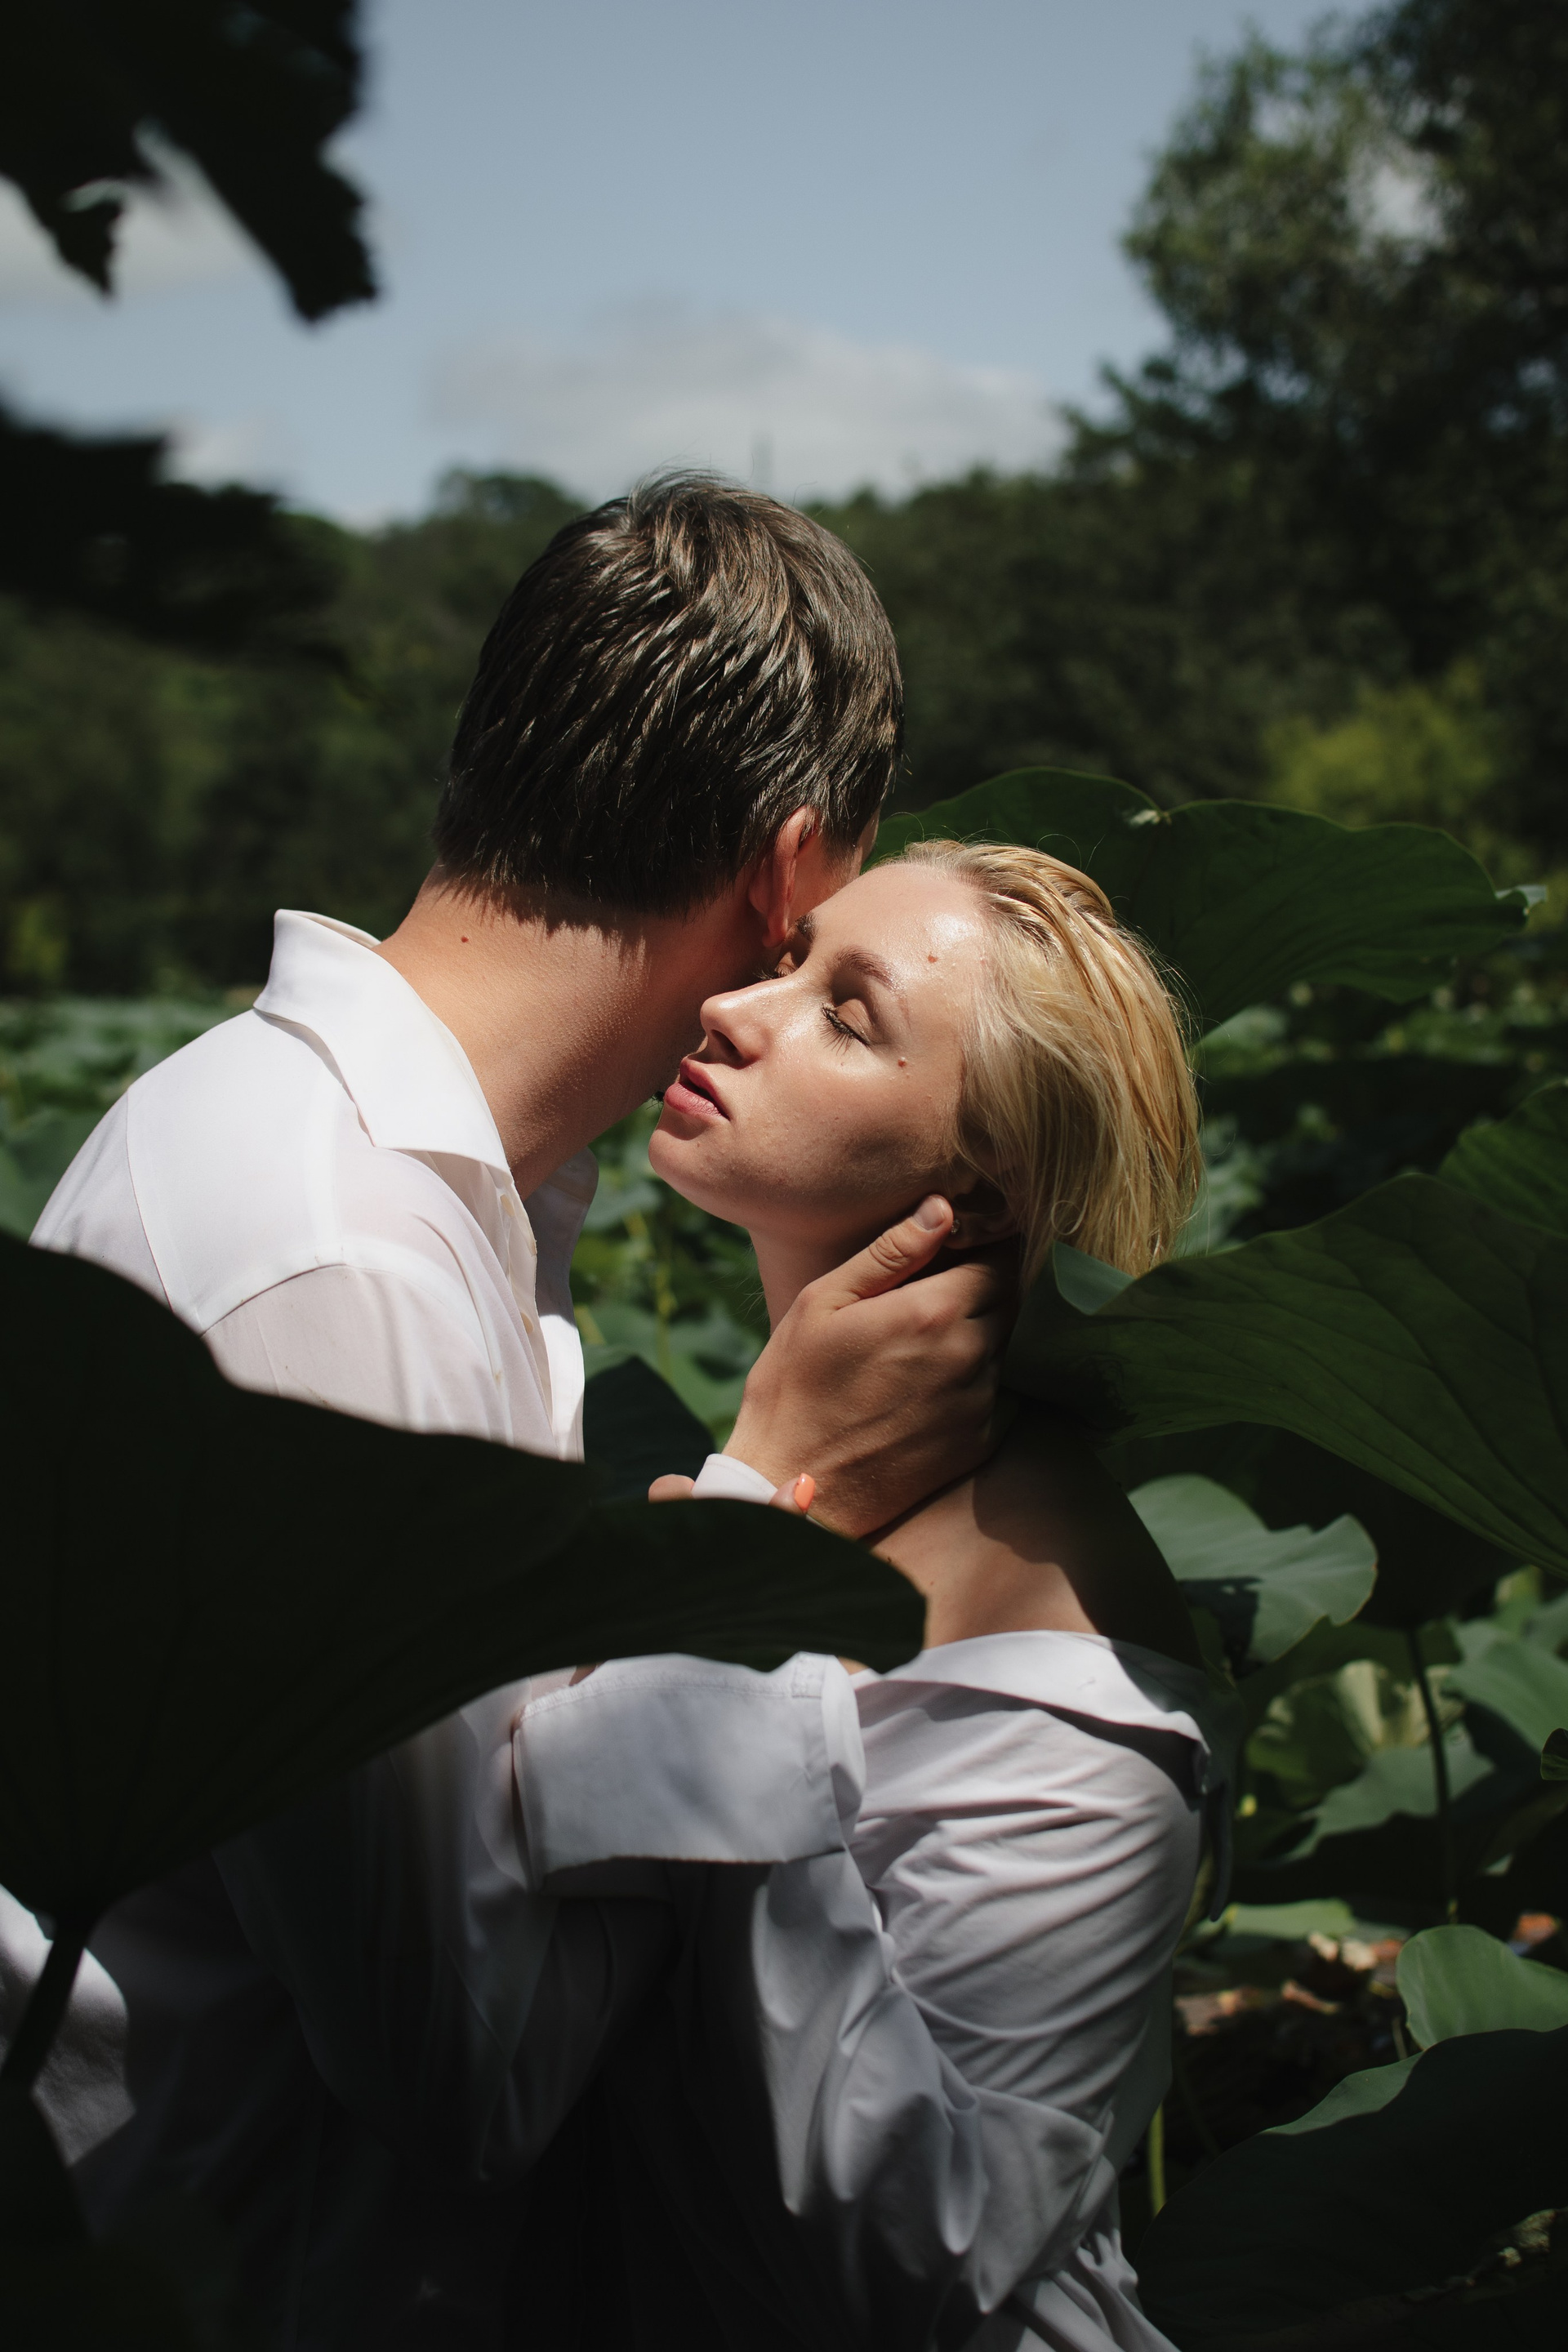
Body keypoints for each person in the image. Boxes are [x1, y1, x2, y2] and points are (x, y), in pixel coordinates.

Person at [7, 481, 1009, 2333]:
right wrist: (755, 1515)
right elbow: (467, 2069)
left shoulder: (356, 1164)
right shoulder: (341, 1258)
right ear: (788, 872)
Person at [215, 843, 1228, 2350]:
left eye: (848, 1015)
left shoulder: (1069, 1656)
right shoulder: (766, 1458)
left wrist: (735, 1636)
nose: (740, 1009)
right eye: (789, 957)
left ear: (981, 1198)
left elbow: (917, 2273)